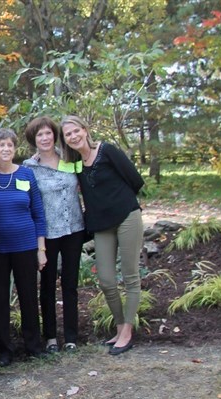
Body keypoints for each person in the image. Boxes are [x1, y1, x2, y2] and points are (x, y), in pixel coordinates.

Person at [60, 115, 144, 356]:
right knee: (106, 280)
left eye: (76, 131)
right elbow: (52, 165)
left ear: (85, 130)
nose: (73, 136)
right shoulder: (75, 163)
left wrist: (118, 201)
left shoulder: (107, 151)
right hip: (101, 225)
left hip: (127, 216)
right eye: (68, 134)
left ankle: (127, 331)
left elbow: (135, 180)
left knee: (130, 276)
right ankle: (119, 327)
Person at [0, 128, 47, 367]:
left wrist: (41, 249)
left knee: (28, 296)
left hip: (26, 245)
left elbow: (38, 213)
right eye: (1, 145)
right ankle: (4, 350)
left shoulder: (26, 174)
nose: (6, 149)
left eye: (10, 145)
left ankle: (33, 346)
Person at [23, 117, 86, 353]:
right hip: (47, 233)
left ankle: (71, 336)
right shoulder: (29, 168)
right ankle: (50, 337)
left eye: (48, 133)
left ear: (55, 135)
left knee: (70, 284)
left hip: (74, 229)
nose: (45, 138)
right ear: (33, 139)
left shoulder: (70, 159)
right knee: (47, 286)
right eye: (39, 135)